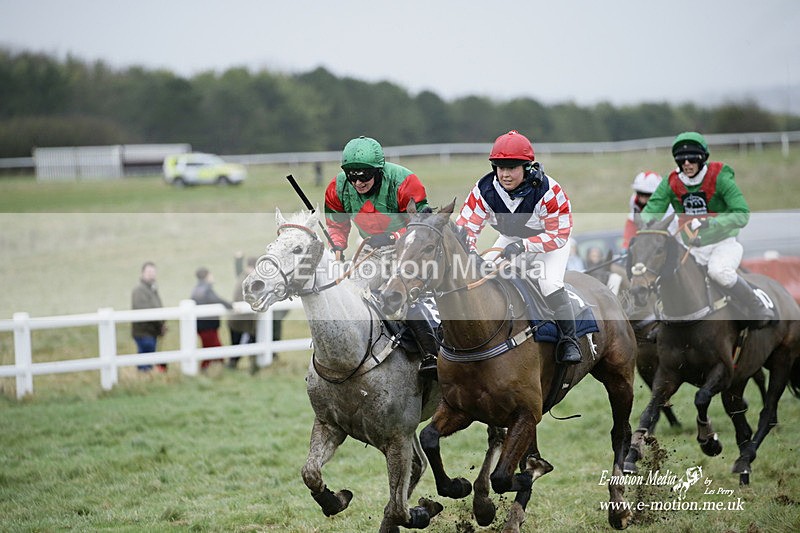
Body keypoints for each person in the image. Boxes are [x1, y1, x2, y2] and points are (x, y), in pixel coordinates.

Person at [455, 130, 581, 364]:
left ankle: (569, 340)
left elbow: (559, 234)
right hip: (510, 238)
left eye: (511, 167)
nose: (505, 174)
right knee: (476, 277)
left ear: (526, 167)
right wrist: (471, 254)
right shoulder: (484, 190)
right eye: (500, 168)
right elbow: (466, 228)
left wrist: (525, 245)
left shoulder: (549, 191)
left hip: (549, 242)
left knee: (548, 283)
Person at [324, 135, 438, 378]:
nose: (358, 182)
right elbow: (336, 223)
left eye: (364, 175)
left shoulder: (404, 182)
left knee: (399, 294)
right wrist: (337, 251)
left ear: (379, 170)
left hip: (408, 249)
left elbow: (421, 225)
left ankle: (431, 356)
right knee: (352, 294)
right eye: (352, 175)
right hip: (370, 249)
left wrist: (394, 237)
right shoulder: (338, 187)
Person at [642, 131, 774, 328]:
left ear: (702, 158)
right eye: (681, 160)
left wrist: (711, 223)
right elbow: (651, 211)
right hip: (691, 248)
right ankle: (665, 322)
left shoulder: (720, 177)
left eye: (692, 158)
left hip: (723, 244)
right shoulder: (672, 181)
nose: (686, 163)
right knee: (667, 273)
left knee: (719, 272)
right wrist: (648, 227)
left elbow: (742, 214)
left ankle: (756, 306)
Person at [191, 267, 233, 369]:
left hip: (201, 325)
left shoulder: (196, 289)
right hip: (208, 325)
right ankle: (210, 368)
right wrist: (231, 306)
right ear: (207, 276)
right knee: (214, 348)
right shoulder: (206, 289)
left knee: (209, 347)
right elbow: (217, 299)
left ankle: (211, 368)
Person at [131, 261, 167, 372]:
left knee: (149, 355)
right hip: (144, 331)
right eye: (149, 272)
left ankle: (146, 378)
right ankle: (144, 377)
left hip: (152, 330)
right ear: (143, 273)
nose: (151, 274)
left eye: (153, 272)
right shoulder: (139, 290)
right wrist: (159, 324)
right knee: (145, 356)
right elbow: (143, 310)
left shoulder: (152, 289)